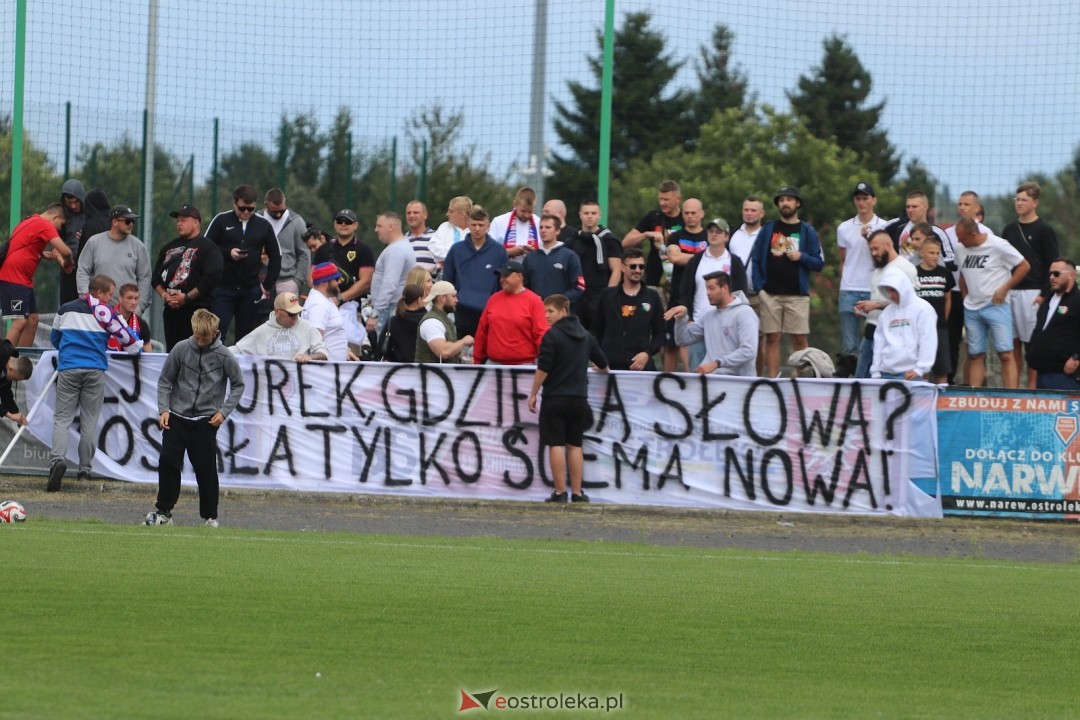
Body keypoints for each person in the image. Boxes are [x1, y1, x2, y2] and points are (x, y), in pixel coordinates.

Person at [146, 309, 244, 527]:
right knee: (168, 463)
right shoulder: (180, 349)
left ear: (216, 333)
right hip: (176, 418)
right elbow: (165, 381)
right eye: (197, 337)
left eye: (205, 338)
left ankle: (210, 517)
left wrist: (223, 412)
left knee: (205, 469)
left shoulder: (225, 355)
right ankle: (163, 513)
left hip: (205, 422)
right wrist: (164, 409)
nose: (200, 342)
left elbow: (238, 384)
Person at [48, 275, 142, 492]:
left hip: (69, 368)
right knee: (90, 421)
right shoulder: (107, 314)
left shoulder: (65, 309)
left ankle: (57, 461)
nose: (111, 299)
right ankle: (85, 469)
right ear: (99, 292)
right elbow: (122, 338)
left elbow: (55, 339)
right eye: (109, 294)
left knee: (62, 418)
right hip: (95, 369)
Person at [528, 294, 608, 503]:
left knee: (556, 444)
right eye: (545, 311)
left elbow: (543, 368)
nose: (546, 316)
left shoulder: (552, 336)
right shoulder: (586, 335)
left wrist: (534, 392)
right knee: (575, 445)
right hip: (579, 397)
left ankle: (560, 491)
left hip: (555, 396)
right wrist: (599, 367)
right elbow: (603, 363)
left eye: (550, 311)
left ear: (563, 311)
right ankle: (578, 493)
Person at [749, 186, 825, 378]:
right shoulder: (769, 229)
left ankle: (802, 380)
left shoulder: (807, 231)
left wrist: (801, 256)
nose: (785, 203)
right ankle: (774, 380)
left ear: (797, 203)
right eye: (781, 200)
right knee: (772, 338)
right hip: (770, 294)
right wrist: (760, 289)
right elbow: (756, 258)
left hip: (797, 295)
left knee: (799, 340)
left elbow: (818, 263)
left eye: (789, 199)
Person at [954, 218, 1030, 388]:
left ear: (973, 234)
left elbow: (1024, 266)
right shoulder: (960, 249)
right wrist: (966, 297)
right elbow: (962, 275)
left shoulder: (998, 245)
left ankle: (1011, 398)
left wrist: (1005, 289)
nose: (959, 241)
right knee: (975, 354)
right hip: (972, 308)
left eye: (961, 237)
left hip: (996, 305)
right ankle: (975, 397)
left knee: (1005, 353)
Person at [1001, 181, 1060, 389]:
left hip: (1033, 293)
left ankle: (1031, 389)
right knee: (1012, 343)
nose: (1019, 203)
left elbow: (1052, 263)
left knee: (1032, 345)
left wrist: (1045, 293)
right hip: (1011, 292)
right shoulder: (1009, 230)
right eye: (1017, 199)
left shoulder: (1044, 230)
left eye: (1024, 200)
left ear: (1035, 202)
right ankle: (1013, 387)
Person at [205, 184, 281, 341]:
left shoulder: (263, 225)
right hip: (223, 288)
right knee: (217, 333)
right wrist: (228, 253)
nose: (246, 212)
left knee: (246, 337)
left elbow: (276, 254)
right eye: (242, 208)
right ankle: (215, 364)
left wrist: (266, 285)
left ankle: (239, 366)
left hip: (250, 289)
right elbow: (206, 248)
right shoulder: (221, 220)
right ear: (234, 203)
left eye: (251, 209)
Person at [152, 204, 224, 351]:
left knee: (196, 353)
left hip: (198, 312)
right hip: (172, 311)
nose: (179, 223)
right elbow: (155, 279)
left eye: (184, 220)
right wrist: (165, 295)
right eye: (178, 220)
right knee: (174, 352)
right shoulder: (168, 248)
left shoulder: (208, 248)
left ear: (196, 222)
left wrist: (186, 298)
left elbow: (211, 279)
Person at [0, 203, 74, 346]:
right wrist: (68, 263)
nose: (59, 228)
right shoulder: (44, 224)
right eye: (60, 224)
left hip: (23, 280)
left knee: (33, 320)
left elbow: (23, 245)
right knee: (20, 321)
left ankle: (22, 362)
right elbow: (66, 251)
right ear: (55, 217)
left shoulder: (30, 220)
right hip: (13, 278)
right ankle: (5, 362)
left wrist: (39, 253)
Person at [666, 271, 759, 376]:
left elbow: (748, 351)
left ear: (724, 288)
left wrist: (717, 363)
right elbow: (682, 340)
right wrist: (682, 319)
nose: (707, 293)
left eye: (711, 288)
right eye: (706, 288)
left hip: (739, 383)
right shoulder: (709, 316)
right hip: (712, 381)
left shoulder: (745, 313)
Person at [853, 230, 918, 379]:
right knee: (860, 379)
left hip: (891, 335)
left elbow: (909, 302)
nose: (873, 253)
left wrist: (875, 305)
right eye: (871, 249)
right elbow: (877, 300)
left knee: (882, 381)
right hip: (870, 332)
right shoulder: (877, 270)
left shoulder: (905, 267)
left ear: (888, 245)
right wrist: (864, 310)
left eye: (876, 248)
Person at [836, 182, 888, 369]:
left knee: (874, 340)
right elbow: (843, 259)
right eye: (858, 199)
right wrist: (844, 283)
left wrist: (870, 238)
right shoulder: (843, 228)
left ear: (873, 200)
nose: (862, 203)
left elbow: (884, 257)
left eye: (865, 198)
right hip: (849, 288)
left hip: (874, 290)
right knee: (849, 345)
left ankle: (871, 379)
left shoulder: (884, 226)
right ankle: (851, 385)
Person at [592, 249, 665, 371]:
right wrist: (598, 358)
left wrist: (647, 354)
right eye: (633, 266)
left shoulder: (652, 296)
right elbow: (596, 330)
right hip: (609, 366)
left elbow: (660, 332)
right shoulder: (607, 295)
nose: (637, 270)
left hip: (640, 367)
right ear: (622, 267)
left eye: (641, 267)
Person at [312, 208, 375, 347]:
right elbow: (312, 277)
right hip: (325, 305)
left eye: (348, 222)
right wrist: (324, 299)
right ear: (335, 224)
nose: (344, 224)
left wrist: (340, 298)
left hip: (355, 308)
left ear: (355, 225)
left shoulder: (364, 250)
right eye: (340, 221)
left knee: (355, 348)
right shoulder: (324, 249)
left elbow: (365, 282)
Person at [441, 207, 507, 338]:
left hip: (488, 312)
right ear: (468, 225)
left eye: (481, 225)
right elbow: (447, 280)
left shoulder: (499, 251)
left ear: (488, 226)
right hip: (461, 311)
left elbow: (503, 282)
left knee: (484, 353)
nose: (477, 228)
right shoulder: (456, 250)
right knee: (459, 352)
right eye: (474, 225)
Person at [76, 205, 153, 313]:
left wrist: (139, 308)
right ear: (115, 222)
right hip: (97, 310)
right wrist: (86, 298)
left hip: (126, 312)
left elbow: (145, 278)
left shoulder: (138, 246)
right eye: (127, 221)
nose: (131, 224)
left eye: (132, 221)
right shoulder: (94, 242)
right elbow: (83, 271)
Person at [664, 198, 709, 371]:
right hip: (678, 294)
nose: (690, 216)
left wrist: (686, 257)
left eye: (693, 213)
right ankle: (668, 381)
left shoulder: (708, 236)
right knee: (672, 343)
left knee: (698, 340)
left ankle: (693, 375)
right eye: (686, 213)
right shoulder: (675, 236)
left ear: (701, 214)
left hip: (703, 297)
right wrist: (704, 257)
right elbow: (674, 257)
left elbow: (681, 257)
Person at [869, 268, 938, 381]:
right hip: (885, 374)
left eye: (894, 290)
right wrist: (875, 372)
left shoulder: (923, 309)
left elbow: (928, 341)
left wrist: (920, 369)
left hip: (911, 374)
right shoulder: (886, 313)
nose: (891, 295)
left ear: (903, 287)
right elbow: (879, 343)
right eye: (888, 291)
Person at [474, 261, 547, 365]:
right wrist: (477, 359)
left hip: (524, 365)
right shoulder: (493, 299)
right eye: (501, 276)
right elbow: (482, 330)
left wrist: (544, 361)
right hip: (494, 363)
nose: (502, 279)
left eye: (506, 276)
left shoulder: (534, 301)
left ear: (519, 276)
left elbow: (541, 333)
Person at [621, 179, 685, 297]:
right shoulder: (654, 217)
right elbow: (625, 242)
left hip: (680, 283)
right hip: (654, 283)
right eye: (660, 198)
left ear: (678, 199)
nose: (662, 203)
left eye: (666, 199)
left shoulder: (686, 218)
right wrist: (646, 234)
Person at [1026, 258, 1080, 390]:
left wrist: (1076, 357)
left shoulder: (1077, 300)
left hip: (1064, 373)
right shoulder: (1048, 299)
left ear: (1071, 275)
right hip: (1042, 371)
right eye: (1050, 274)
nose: (1051, 277)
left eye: (1056, 274)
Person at [728, 195, 766, 375]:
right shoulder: (733, 233)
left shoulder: (766, 235)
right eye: (746, 210)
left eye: (753, 210)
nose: (749, 214)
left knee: (757, 341)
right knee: (731, 339)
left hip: (757, 295)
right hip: (734, 295)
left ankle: (757, 378)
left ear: (762, 213)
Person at [231, 292, 328, 362]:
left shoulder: (307, 327)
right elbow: (235, 350)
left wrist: (310, 357)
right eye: (290, 314)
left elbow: (323, 352)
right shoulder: (262, 332)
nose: (295, 317)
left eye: (297, 313)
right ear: (277, 312)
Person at [570, 200, 621, 332]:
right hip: (577, 295)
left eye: (593, 213)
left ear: (600, 215)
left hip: (599, 294)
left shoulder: (609, 240)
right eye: (586, 213)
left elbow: (616, 270)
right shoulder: (572, 240)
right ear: (580, 215)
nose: (590, 216)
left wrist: (609, 296)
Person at [366, 212, 417, 337]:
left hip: (389, 308)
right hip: (392, 306)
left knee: (385, 350)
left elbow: (389, 284)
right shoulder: (402, 246)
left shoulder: (396, 250)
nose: (376, 229)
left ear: (391, 227)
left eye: (379, 226)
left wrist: (375, 313)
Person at [914, 237, 955, 384]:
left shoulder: (945, 273)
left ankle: (942, 401)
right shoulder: (914, 273)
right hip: (919, 328)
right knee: (921, 369)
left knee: (942, 368)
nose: (935, 256)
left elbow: (948, 299)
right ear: (922, 253)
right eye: (931, 253)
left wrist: (944, 319)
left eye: (937, 253)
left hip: (939, 327)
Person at [522, 214, 584, 307]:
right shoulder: (530, 257)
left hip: (561, 315)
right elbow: (523, 286)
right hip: (535, 312)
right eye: (541, 227)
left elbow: (579, 286)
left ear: (557, 231)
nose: (543, 230)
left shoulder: (569, 256)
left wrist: (559, 302)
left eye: (548, 227)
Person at [259, 188, 310, 297]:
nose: (278, 215)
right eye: (274, 211)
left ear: (285, 202)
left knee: (287, 314)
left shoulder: (297, 222)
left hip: (287, 282)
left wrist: (297, 282)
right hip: (260, 280)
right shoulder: (257, 219)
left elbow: (304, 254)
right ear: (265, 204)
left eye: (281, 211)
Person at [415, 281, 474, 363]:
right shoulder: (432, 322)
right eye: (453, 296)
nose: (456, 300)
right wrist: (463, 341)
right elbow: (443, 351)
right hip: (430, 375)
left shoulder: (445, 320)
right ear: (442, 298)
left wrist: (460, 357)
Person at [303, 262, 349, 361]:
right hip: (326, 369)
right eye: (336, 279)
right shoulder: (318, 305)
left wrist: (346, 350)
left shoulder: (324, 300)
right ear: (324, 282)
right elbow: (315, 341)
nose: (340, 282)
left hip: (333, 367)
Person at [57, 179, 87, 305]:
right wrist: (63, 261)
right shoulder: (62, 217)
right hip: (69, 269)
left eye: (76, 202)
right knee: (67, 305)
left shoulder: (90, 214)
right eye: (69, 202)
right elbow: (56, 244)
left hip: (88, 269)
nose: (73, 206)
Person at [490, 187, 541, 259]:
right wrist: (509, 252)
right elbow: (488, 252)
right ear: (514, 204)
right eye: (523, 211)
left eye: (530, 211)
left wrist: (535, 253)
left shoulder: (540, 223)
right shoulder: (498, 222)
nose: (526, 215)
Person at [379, 285, 426, 362]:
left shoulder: (393, 321)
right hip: (424, 368)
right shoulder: (427, 321)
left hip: (398, 368)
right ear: (419, 299)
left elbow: (381, 348)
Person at [428, 195, 473, 269]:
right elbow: (434, 248)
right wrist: (460, 254)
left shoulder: (475, 230)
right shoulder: (445, 227)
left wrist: (448, 252)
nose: (447, 214)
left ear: (462, 214)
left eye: (451, 211)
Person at [111, 284, 154, 353]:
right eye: (129, 298)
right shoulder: (107, 319)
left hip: (133, 362)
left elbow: (149, 355)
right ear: (120, 299)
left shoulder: (142, 324)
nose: (133, 302)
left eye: (136, 299)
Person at [0, 339, 33, 426]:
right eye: (16, 378)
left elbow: (5, 391)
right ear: (11, 369)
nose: (15, 381)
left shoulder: (10, 362)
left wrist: (16, 414)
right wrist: (9, 415)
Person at [404, 200, 437, 273]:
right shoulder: (401, 240)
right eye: (408, 213)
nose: (411, 215)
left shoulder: (437, 237)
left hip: (431, 283)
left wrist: (422, 275)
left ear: (425, 215)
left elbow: (443, 264)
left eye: (415, 212)